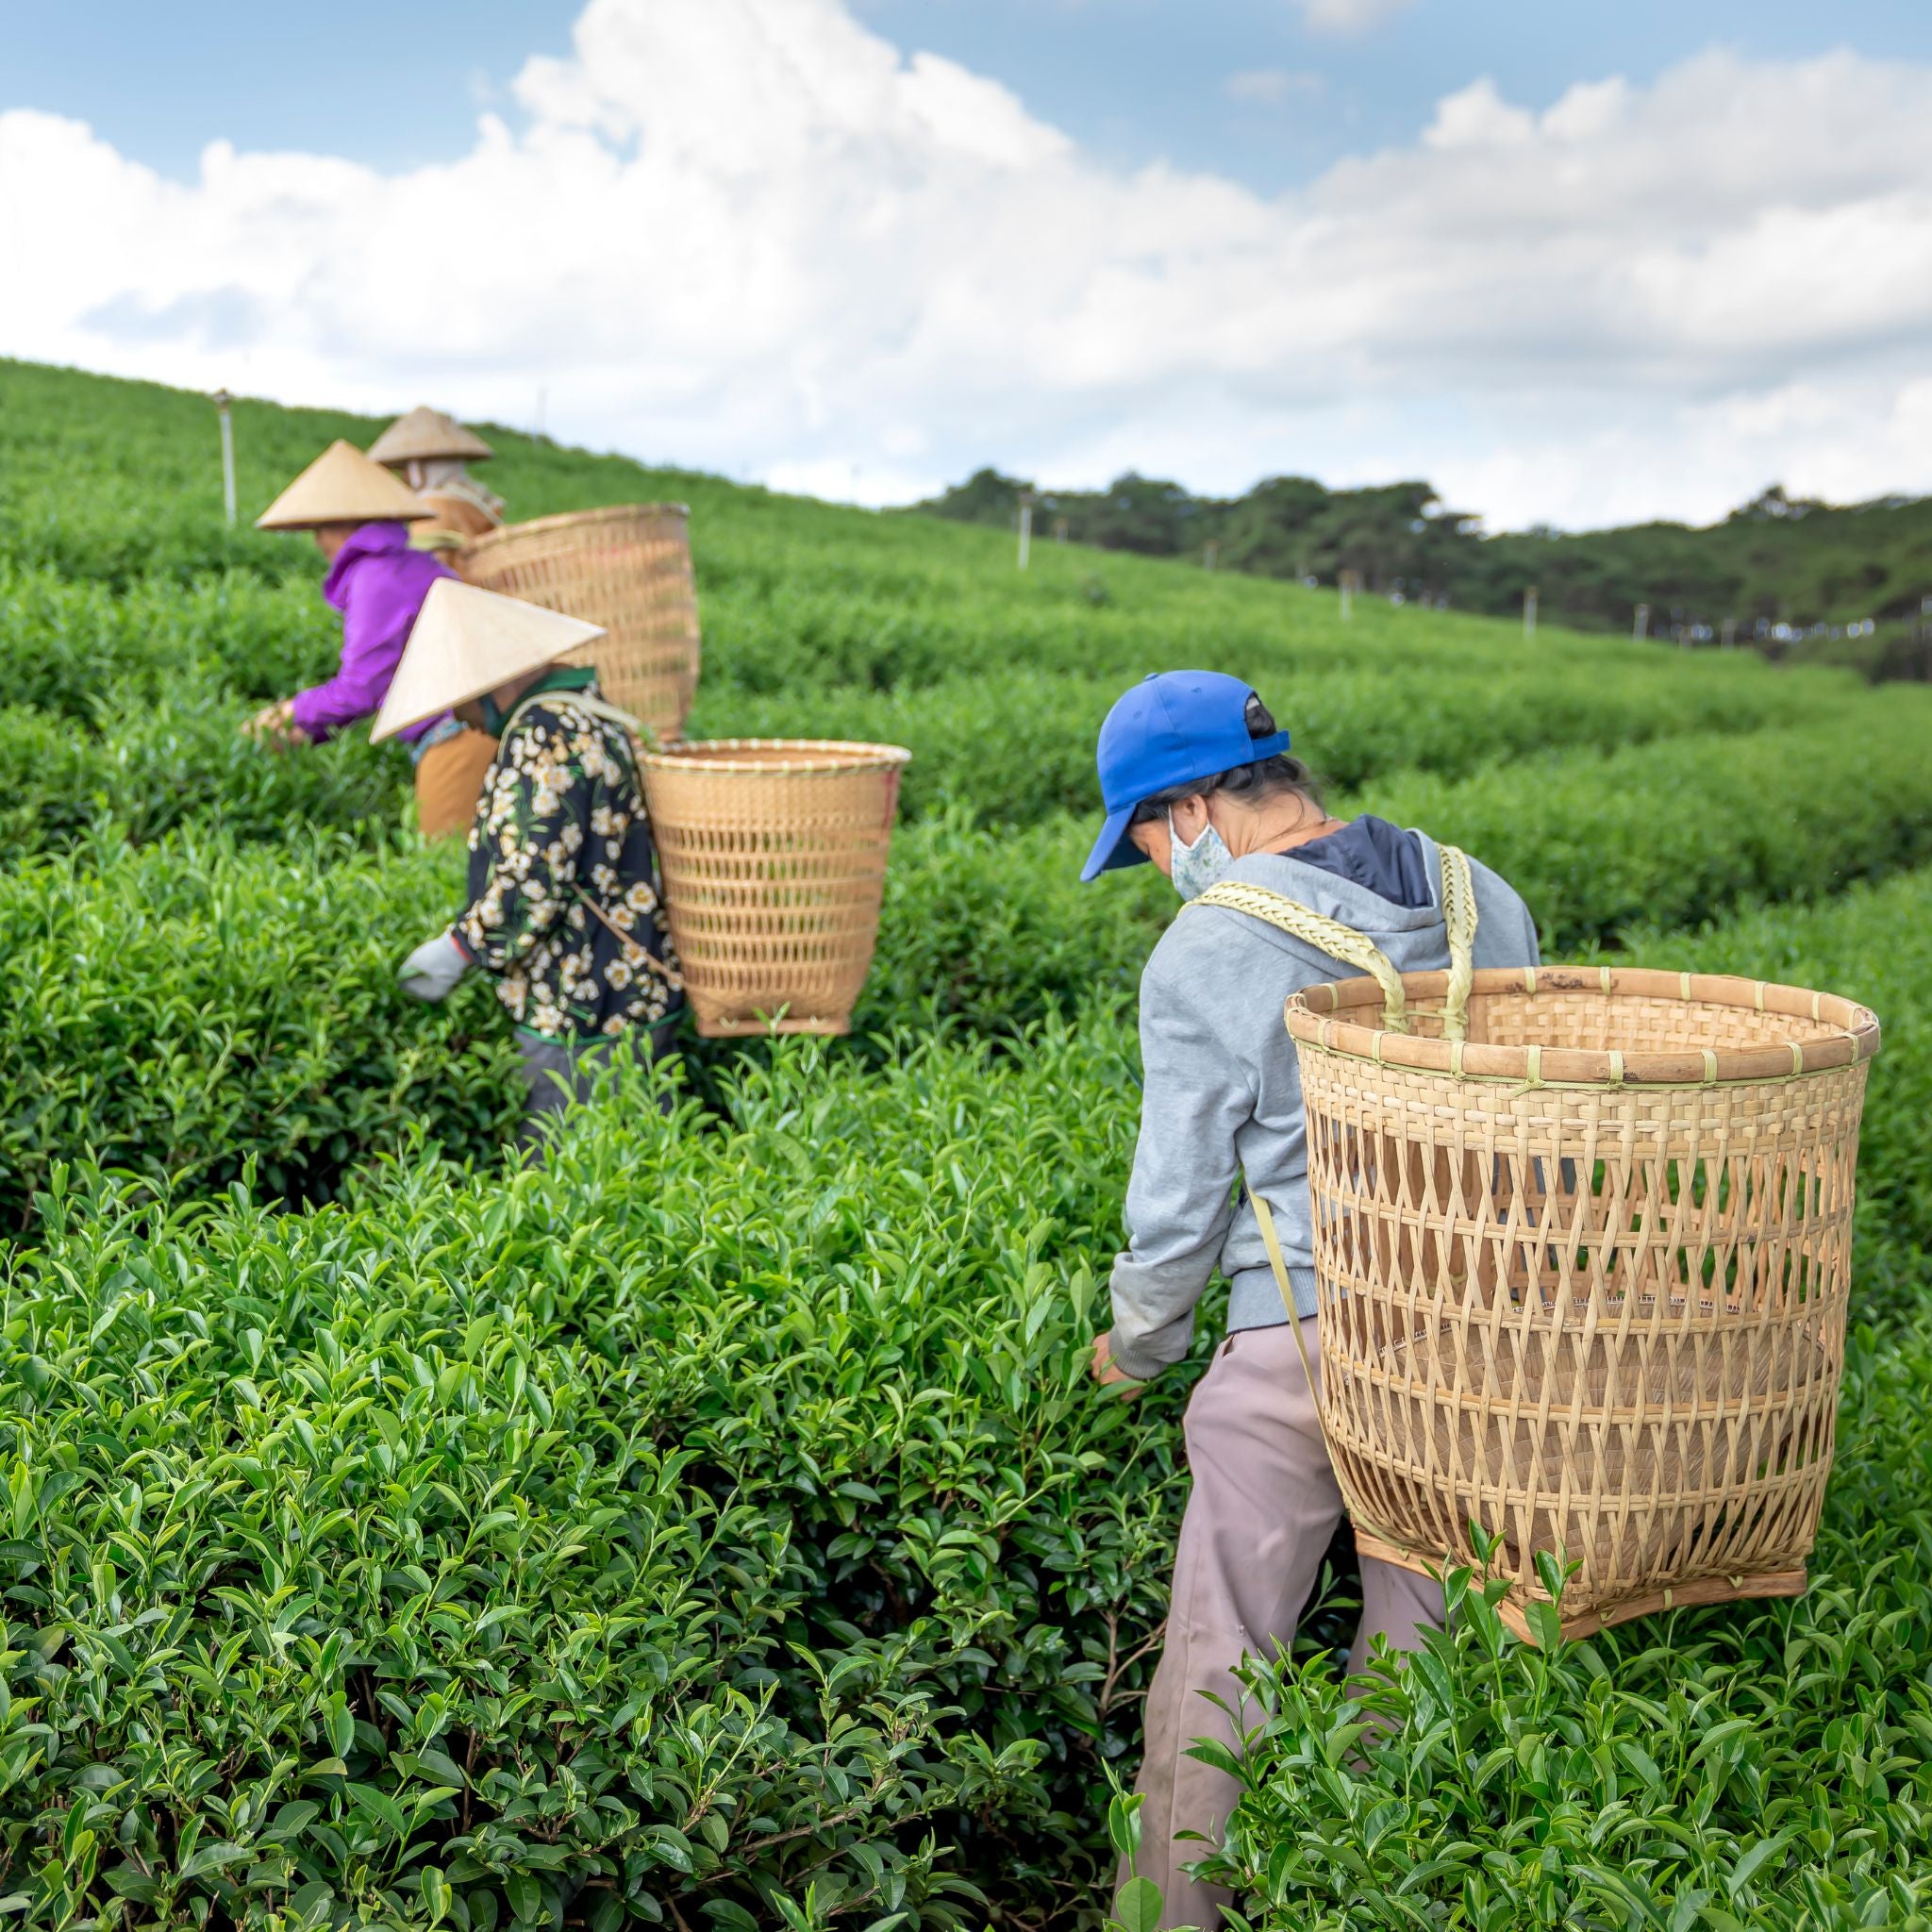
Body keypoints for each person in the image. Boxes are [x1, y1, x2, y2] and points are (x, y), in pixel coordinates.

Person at [1080, 671, 1541, 1930]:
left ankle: (1173, 1914)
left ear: (1189, 812)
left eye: (1146, 839)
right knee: (1417, 1648)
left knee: (1220, 1650)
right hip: (1484, 1332)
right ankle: (1345, 1898)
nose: (1160, 866)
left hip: (1308, 1339)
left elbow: (1176, 1208)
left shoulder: (1207, 944)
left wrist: (1141, 1340)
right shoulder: (1482, 893)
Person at [373, 579, 684, 1136]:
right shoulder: (589, 711)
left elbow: (533, 879)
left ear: (490, 681)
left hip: (580, 1002)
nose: (461, 717)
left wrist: (459, 947)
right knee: (640, 1162)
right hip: (634, 987)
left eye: (459, 696)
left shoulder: (541, 735)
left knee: (566, 1176)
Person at [250, 440, 481, 840]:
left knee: (445, 864)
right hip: (472, 723)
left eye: (320, 528)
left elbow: (360, 689)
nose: (318, 541)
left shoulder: (377, 577)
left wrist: (286, 714)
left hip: (461, 732)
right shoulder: (402, 564)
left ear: (345, 524)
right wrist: (311, 729)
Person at [366, 405, 506, 552]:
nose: (404, 477)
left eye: (407, 468)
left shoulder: (434, 504)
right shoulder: (470, 497)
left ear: (422, 468)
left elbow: (425, 560)